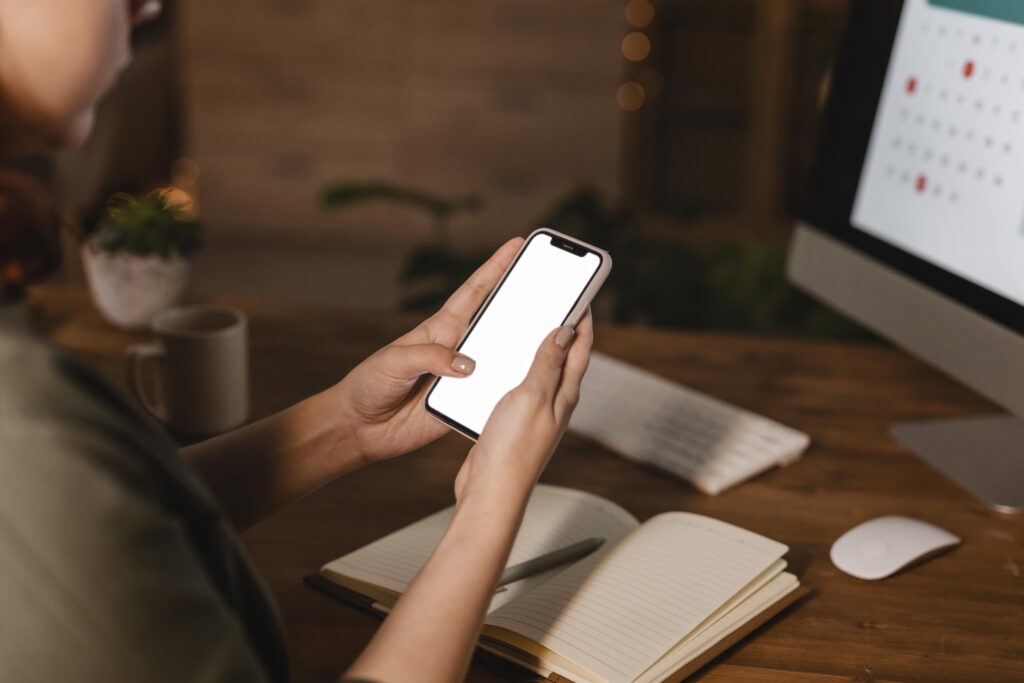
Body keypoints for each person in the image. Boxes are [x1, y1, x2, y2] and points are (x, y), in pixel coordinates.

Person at [0, 2, 593, 681]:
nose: (148, 6)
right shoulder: (19, 422)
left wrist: (343, 426)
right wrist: (492, 504)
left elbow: (99, 525)